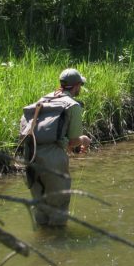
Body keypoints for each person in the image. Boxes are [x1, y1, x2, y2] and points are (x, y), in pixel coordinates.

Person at [24, 68, 91, 227]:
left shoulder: (44, 99)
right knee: (59, 204)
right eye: (80, 85)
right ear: (76, 86)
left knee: (40, 204)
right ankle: (58, 239)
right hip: (53, 158)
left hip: (30, 154)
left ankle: (42, 236)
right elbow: (73, 141)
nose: (80, 88)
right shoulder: (73, 105)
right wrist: (84, 140)